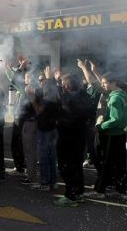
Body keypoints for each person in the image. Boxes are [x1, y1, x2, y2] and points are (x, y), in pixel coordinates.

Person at [84, 72, 127, 200]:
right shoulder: (122, 95)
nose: (103, 85)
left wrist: (99, 126)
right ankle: (122, 190)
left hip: (111, 136)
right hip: (120, 135)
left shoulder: (115, 98)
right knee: (119, 164)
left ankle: (100, 190)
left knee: (105, 164)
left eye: (105, 83)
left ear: (113, 83)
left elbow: (116, 120)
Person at [54, 74, 93, 207]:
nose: (62, 87)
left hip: (68, 138)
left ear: (68, 85)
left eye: (64, 84)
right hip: (80, 138)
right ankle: (78, 193)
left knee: (66, 167)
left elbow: (63, 105)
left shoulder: (69, 99)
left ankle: (71, 196)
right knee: (76, 166)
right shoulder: (84, 96)